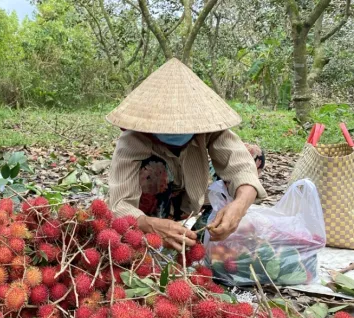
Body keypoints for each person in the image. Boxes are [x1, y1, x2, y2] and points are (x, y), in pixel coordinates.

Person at [106, 58, 267, 251]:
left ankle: (208, 219)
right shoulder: (133, 139)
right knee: (154, 170)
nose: (176, 129)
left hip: (196, 195)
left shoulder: (207, 128)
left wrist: (239, 206)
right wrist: (148, 225)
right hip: (155, 206)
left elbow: (239, 163)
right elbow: (119, 204)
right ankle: (166, 223)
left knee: (253, 154)